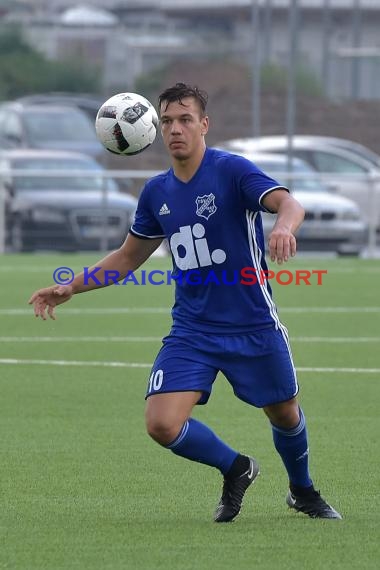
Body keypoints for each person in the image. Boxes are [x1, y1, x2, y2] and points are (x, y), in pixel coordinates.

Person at [29, 82, 342, 522]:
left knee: (285, 413)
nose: (176, 129)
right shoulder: (157, 192)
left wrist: (284, 227)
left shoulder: (232, 171)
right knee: (161, 424)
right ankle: (236, 468)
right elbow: (127, 257)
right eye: (168, 121)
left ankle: (303, 490)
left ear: (204, 125)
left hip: (252, 324)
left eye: (185, 119)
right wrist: (71, 286)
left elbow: (287, 202)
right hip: (192, 330)